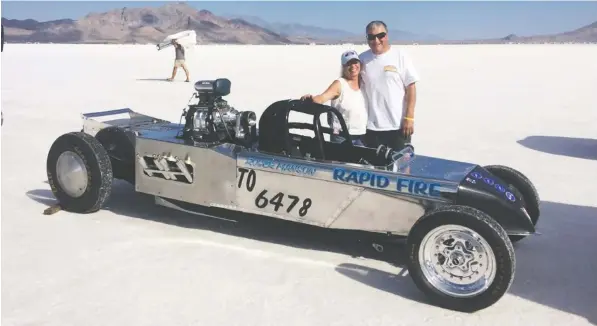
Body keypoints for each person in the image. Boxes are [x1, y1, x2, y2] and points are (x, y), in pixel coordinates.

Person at [358, 20, 420, 150]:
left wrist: (409, 118)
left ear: (387, 35)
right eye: (371, 37)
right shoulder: (362, 59)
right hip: (371, 127)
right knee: (376, 168)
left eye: (381, 35)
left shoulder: (400, 56)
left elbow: (411, 88)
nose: (376, 40)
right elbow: (350, 85)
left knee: (402, 167)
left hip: (398, 126)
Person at [300, 49, 368, 146]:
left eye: (355, 62)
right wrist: (311, 99)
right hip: (342, 136)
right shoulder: (339, 84)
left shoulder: (364, 83)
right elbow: (322, 97)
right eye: (348, 64)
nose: (353, 66)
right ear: (343, 67)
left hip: (361, 135)